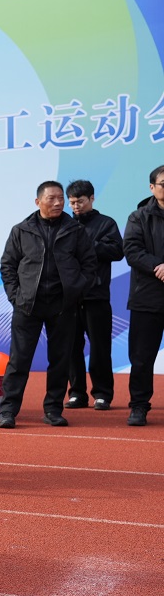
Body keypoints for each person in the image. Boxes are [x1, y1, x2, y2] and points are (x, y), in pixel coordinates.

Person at [0, 181, 97, 429]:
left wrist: (75, 292)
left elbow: (89, 265)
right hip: (27, 305)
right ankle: (8, 410)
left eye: (60, 198)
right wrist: (16, 297)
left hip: (63, 305)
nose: (58, 203)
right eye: (51, 198)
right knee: (19, 360)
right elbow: (8, 266)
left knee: (60, 360)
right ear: (38, 201)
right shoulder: (21, 230)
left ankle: (53, 409)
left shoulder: (75, 230)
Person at [63, 180, 123, 411]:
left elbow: (117, 251)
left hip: (96, 296)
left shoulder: (106, 223)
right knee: (71, 348)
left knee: (100, 347)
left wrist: (86, 243)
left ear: (92, 199)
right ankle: (77, 393)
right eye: (72, 202)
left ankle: (102, 394)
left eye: (80, 201)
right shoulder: (65, 224)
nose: (75, 206)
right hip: (69, 297)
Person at [122, 165, 164, 427]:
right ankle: (139, 406)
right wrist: (158, 266)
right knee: (141, 358)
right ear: (152, 187)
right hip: (147, 297)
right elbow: (131, 250)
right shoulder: (139, 217)